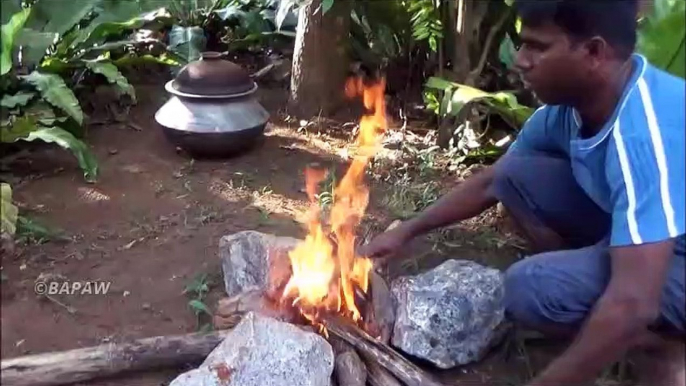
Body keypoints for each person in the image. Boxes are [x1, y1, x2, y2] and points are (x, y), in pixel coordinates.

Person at [359, 1, 685, 385]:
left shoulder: (643, 134)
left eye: (537, 47)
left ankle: (666, 347)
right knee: (515, 174)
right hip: (642, 234)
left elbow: (634, 301)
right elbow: (493, 180)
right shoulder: (572, 108)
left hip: (674, 254)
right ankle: (600, 313)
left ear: (594, 52)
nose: (520, 61)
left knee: (531, 288)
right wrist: (406, 231)